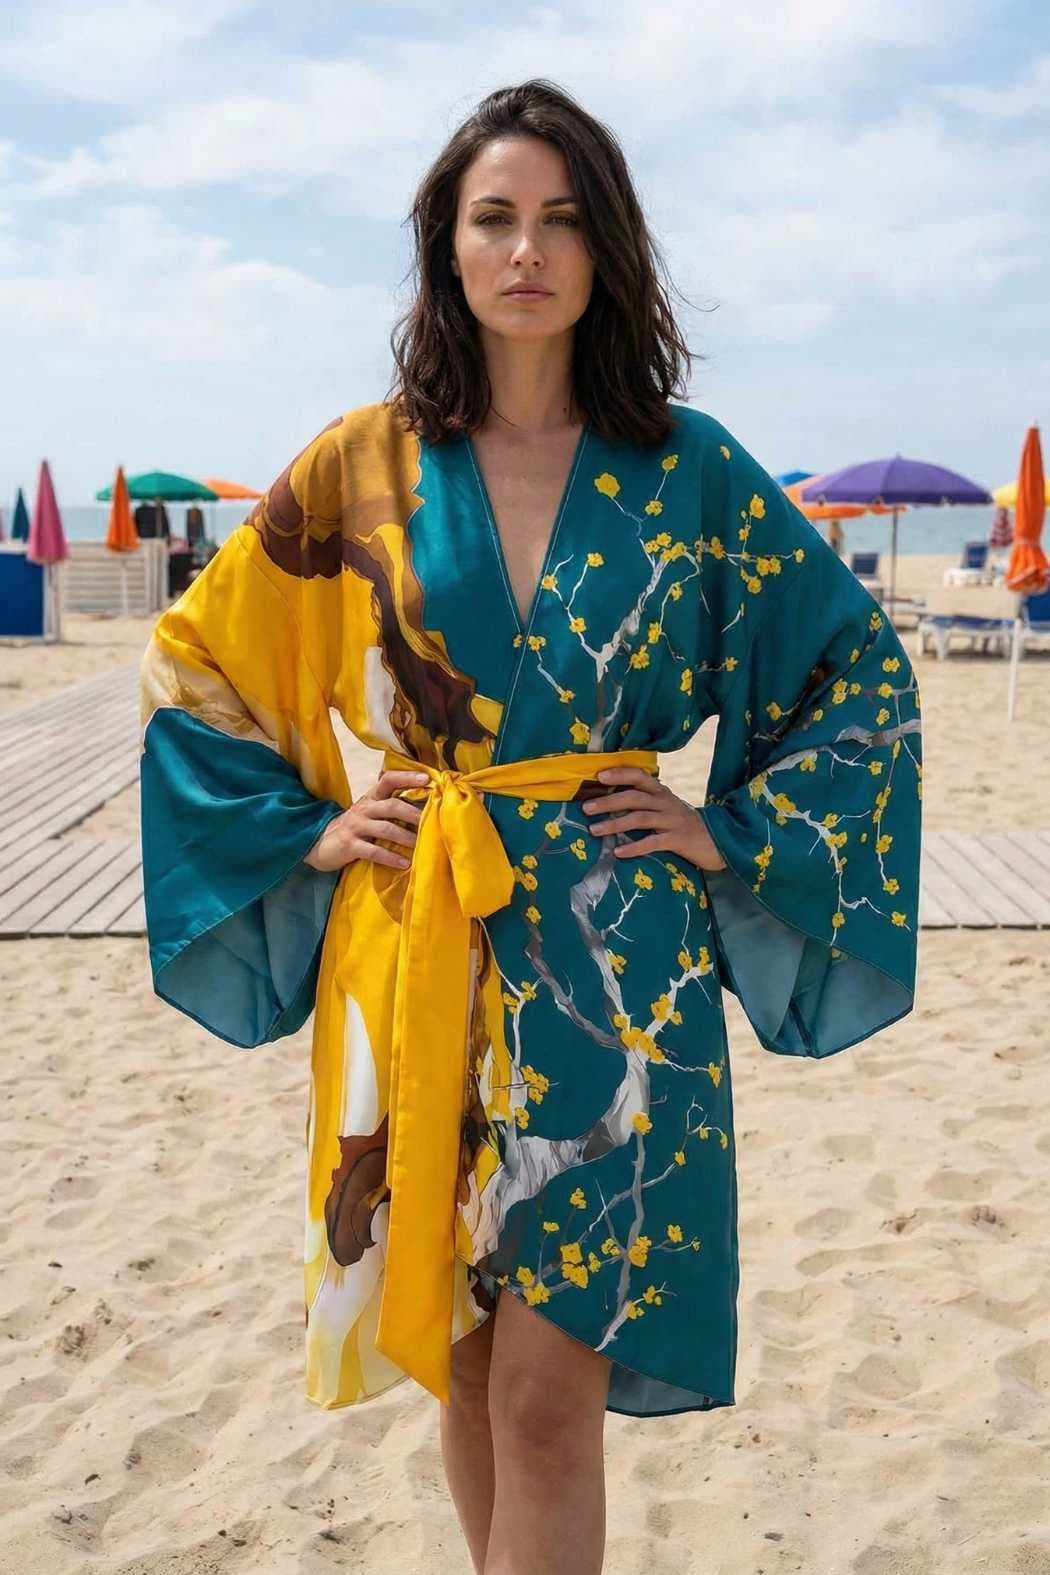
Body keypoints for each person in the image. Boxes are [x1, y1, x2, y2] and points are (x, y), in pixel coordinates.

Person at [138, 80, 922, 1575]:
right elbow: (197, 664)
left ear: (604, 249)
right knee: (474, 1360)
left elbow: (853, 669)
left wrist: (728, 831)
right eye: (492, 219)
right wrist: (308, 830)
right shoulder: (359, 462)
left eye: (561, 220)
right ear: (446, 250)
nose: (525, 251)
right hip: (417, 936)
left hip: (622, 964)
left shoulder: (686, 467)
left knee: (555, 1388)